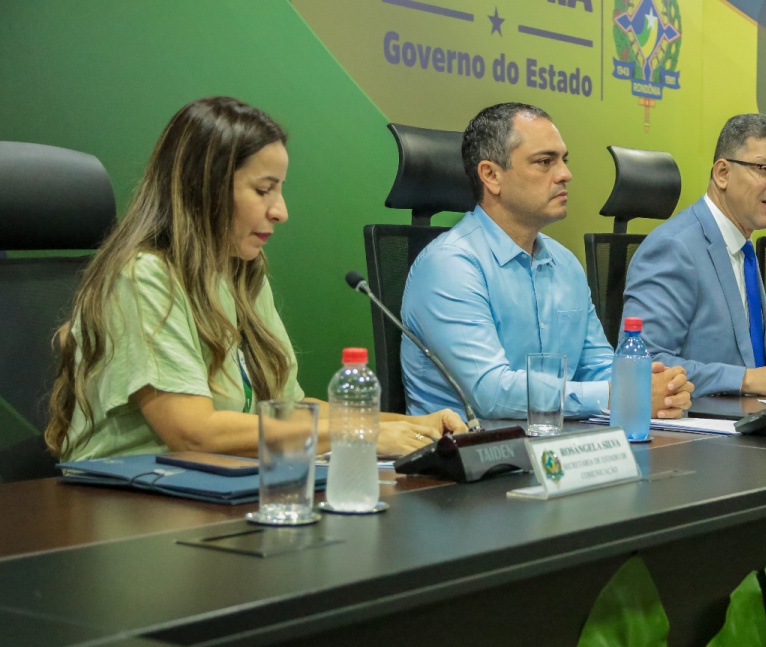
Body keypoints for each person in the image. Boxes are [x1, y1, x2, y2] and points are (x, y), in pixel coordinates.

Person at [44, 97, 466, 462]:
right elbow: (192, 433)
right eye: (264, 190)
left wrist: (411, 426)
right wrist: (358, 433)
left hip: (216, 490)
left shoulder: (242, 272)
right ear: (202, 188)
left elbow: (291, 409)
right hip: (122, 506)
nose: (280, 211)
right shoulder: (143, 276)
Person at [401, 102, 693, 419]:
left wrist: (653, 386)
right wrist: (622, 394)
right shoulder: (450, 265)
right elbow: (492, 393)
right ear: (491, 175)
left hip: (553, 446)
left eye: (563, 160)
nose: (565, 174)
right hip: (466, 457)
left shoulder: (564, 264)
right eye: (545, 162)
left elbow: (595, 366)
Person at [622, 114, 766, 398]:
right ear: (722, 173)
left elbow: (741, 362)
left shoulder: (742, 246)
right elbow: (642, 363)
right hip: (688, 435)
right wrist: (749, 380)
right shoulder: (675, 248)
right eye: (764, 168)